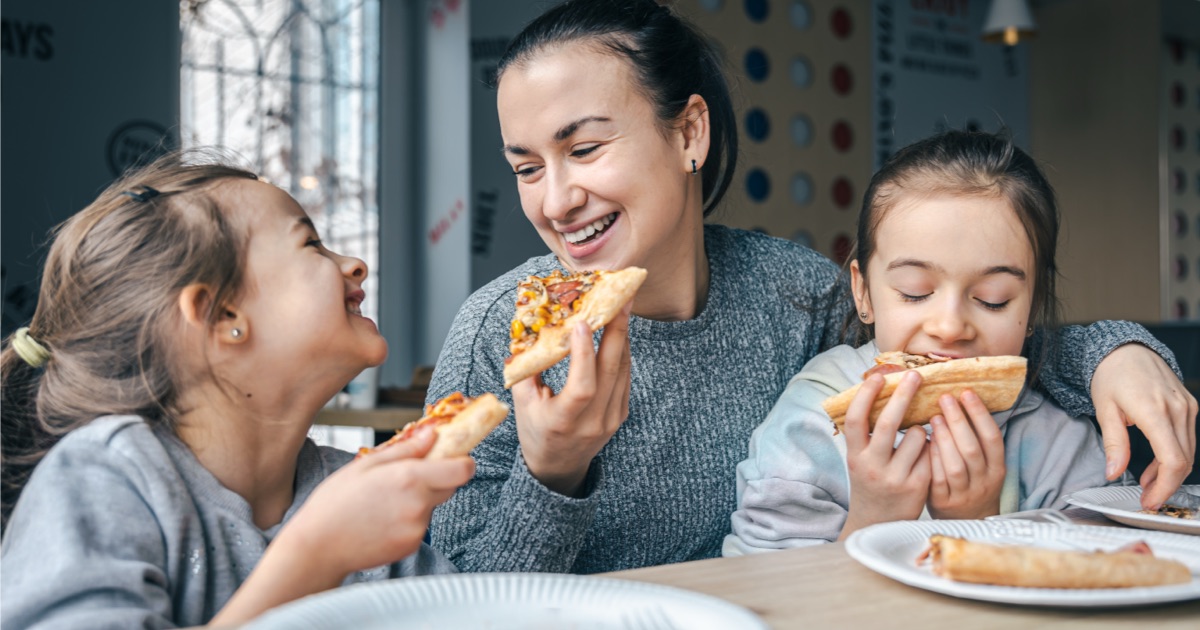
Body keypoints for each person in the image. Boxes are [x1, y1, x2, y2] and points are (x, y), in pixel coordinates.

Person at [427, 0, 1195, 574]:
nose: (555, 200)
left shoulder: (798, 297)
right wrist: (554, 474)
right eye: (527, 168)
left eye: (585, 148)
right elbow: (460, 608)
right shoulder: (501, 333)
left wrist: (1111, 351)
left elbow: (946, 350)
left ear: (689, 132)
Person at [0, 152, 475, 628]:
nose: (355, 264)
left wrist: (544, 468)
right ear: (222, 316)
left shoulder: (349, 490)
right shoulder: (107, 479)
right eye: (311, 244)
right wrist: (315, 557)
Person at [725, 130, 1137, 554]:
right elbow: (761, 588)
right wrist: (871, 520)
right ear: (863, 293)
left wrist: (979, 526)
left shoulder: (1058, 436)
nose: (949, 325)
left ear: (1032, 309)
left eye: (992, 299)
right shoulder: (814, 417)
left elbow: (1110, 570)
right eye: (915, 291)